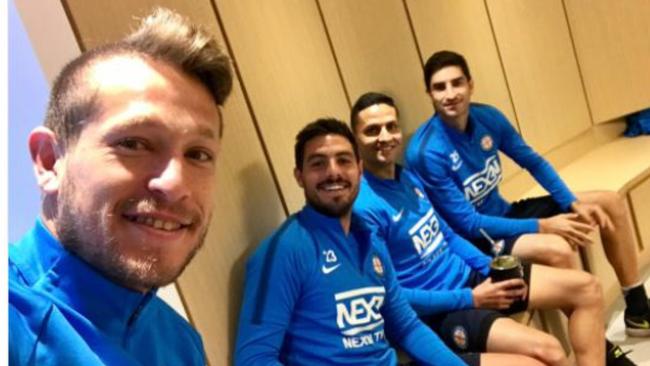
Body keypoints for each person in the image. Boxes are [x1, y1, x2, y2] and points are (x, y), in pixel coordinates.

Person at [8, 8, 233, 365]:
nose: (175, 184)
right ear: (50, 161)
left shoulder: (181, 341)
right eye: (134, 143)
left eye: (198, 154)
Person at [351, 92, 636, 366]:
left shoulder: (407, 177)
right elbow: (394, 296)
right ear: (356, 138)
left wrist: (490, 268)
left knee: (587, 289)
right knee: (549, 351)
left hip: (470, 277)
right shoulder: (363, 208)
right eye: (372, 130)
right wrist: (471, 298)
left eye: (391, 127)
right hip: (442, 311)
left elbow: (447, 236)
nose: (385, 137)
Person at [404, 50, 650, 337]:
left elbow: (532, 161)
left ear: (470, 84)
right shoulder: (427, 152)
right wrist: (543, 225)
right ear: (429, 94)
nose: (450, 94)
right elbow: (468, 224)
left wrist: (570, 202)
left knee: (608, 202)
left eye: (456, 83)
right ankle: (596, 341)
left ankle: (637, 309)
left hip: (506, 214)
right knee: (555, 247)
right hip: (480, 239)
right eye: (439, 87)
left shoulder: (488, 118)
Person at [235, 119, 467, 365]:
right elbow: (254, 359)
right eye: (318, 163)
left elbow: (407, 326)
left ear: (359, 169)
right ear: (299, 176)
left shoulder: (370, 237)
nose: (333, 172)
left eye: (343, 160)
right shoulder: (283, 251)